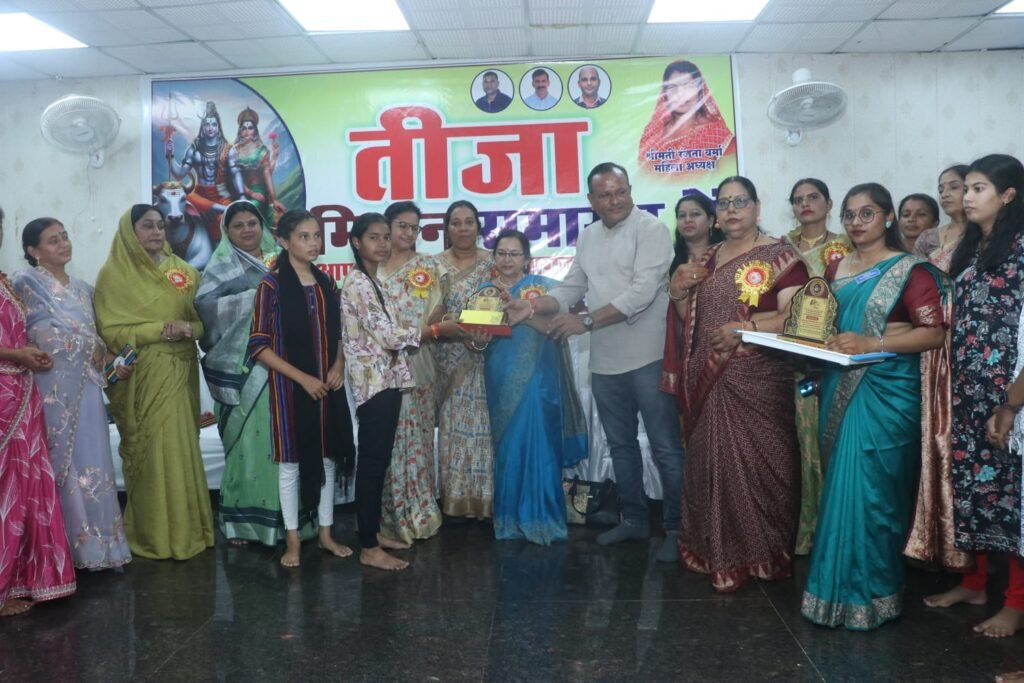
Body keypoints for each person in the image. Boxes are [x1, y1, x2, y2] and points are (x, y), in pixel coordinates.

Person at [507, 162, 684, 562]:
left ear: (630, 190)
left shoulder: (651, 230)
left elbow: (641, 293)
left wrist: (585, 321)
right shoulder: (588, 236)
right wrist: (532, 306)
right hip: (605, 360)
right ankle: (634, 520)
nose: (614, 200)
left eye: (620, 191)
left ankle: (677, 528)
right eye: (605, 195)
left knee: (665, 447)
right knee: (620, 445)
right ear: (591, 200)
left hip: (649, 355)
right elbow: (571, 288)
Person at [801, 183, 947, 630]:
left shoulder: (910, 270)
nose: (856, 222)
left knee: (876, 496)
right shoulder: (836, 266)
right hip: (839, 384)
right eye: (849, 214)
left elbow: (933, 333)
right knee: (841, 492)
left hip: (888, 393)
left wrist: (872, 343)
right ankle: (831, 595)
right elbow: (826, 323)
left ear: (887, 217)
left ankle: (877, 594)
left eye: (867, 213)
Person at [661, 176, 808, 590]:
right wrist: (676, 291)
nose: (731, 210)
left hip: (757, 378)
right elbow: (690, 320)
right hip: (706, 380)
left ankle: (762, 555)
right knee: (711, 466)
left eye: (740, 202)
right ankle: (715, 551)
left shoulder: (781, 257)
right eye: (724, 203)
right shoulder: (706, 259)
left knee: (764, 467)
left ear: (757, 208)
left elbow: (797, 317)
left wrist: (746, 329)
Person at [924, 154, 1024, 639]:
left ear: (1008, 195)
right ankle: (977, 583)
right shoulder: (972, 248)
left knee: (1012, 498)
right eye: (966, 188)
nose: (966, 197)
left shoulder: (1021, 249)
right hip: (967, 388)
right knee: (974, 490)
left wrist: (1011, 402)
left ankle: (1016, 602)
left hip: (1010, 394)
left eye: (979, 188)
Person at [341, 212, 464, 570]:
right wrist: (437, 331)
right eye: (373, 238)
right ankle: (368, 547)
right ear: (356, 242)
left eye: (385, 237)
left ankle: (374, 533)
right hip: (375, 384)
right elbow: (389, 336)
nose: (382, 244)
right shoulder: (358, 283)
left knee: (379, 461)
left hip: (390, 379)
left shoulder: (373, 280)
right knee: (372, 463)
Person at [12, 218, 132, 570]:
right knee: (61, 463)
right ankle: (60, 550)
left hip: (87, 388)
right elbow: (38, 335)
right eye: (53, 240)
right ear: (33, 251)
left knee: (94, 460)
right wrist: (87, 346)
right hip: (52, 389)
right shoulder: (26, 281)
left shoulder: (84, 289)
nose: (63, 244)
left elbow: (98, 340)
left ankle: (99, 547)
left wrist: (110, 359)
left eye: (64, 237)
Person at [95, 205, 213, 561]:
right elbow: (110, 331)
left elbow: (203, 324)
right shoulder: (114, 275)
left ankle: (190, 531)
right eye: (147, 226)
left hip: (180, 370)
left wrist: (189, 329)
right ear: (130, 232)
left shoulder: (184, 272)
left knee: (181, 447)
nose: (157, 232)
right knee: (152, 451)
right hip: (143, 373)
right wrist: (158, 330)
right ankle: (154, 534)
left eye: (160, 225)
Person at [195, 200, 315, 546]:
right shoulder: (219, 266)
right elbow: (207, 310)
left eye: (252, 223)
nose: (247, 230)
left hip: (287, 367)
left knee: (287, 445)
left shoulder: (282, 260)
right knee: (249, 444)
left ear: (262, 226)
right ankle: (244, 523)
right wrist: (262, 296)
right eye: (238, 225)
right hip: (245, 369)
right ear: (226, 231)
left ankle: (291, 523)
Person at [247, 209, 354, 568]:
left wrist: (338, 365)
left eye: (316, 236)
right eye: (304, 236)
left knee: (327, 458)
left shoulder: (327, 284)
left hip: (327, 387)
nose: (313, 243)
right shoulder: (271, 285)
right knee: (291, 463)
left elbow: (340, 334)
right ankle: (292, 539)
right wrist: (303, 378)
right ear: (284, 241)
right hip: (290, 391)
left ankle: (325, 533)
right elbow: (259, 346)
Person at [482, 229, 588, 545]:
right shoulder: (484, 292)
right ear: (494, 257)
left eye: (514, 254)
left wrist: (523, 313)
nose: (507, 260)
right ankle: (510, 521)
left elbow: (556, 328)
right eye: (502, 253)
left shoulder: (544, 289)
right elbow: (478, 336)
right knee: (509, 449)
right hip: (500, 377)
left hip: (540, 380)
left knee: (541, 445)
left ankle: (543, 518)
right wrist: (474, 335)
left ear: (527, 259)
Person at [0, 207, 76, 617]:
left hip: (22, 391)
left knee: (25, 488)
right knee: (5, 491)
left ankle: (22, 578)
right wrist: (17, 355)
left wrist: (27, 354)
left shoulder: (4, 281)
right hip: (4, 394)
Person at [377, 202, 451, 543]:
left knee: (417, 434)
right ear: (387, 227)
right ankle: (389, 512)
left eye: (414, 227)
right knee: (387, 436)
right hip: (381, 364)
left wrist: (422, 331)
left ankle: (419, 509)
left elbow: (440, 307)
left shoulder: (428, 265)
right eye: (402, 226)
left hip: (420, 357)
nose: (408, 233)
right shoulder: (371, 267)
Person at [783, 178, 848, 555]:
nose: (805, 204)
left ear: (828, 203)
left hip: (832, 356)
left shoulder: (847, 246)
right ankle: (800, 528)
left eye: (813, 198)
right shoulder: (779, 248)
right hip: (785, 356)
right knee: (792, 443)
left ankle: (832, 530)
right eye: (797, 200)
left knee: (829, 442)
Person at [435, 200, 495, 519]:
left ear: (478, 227)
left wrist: (483, 332)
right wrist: (455, 325)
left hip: (490, 360)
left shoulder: (493, 263)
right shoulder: (434, 265)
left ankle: (488, 501)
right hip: (450, 360)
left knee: (486, 430)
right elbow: (427, 315)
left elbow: (505, 304)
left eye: (469, 222)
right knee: (455, 429)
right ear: (446, 228)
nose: (462, 228)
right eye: (455, 222)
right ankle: (456, 502)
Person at [637, 60, 735, 174]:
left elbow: (725, 174)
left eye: (688, 86)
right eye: (672, 87)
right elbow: (643, 175)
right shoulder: (651, 135)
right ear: (665, 94)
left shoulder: (717, 133)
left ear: (700, 91)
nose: (680, 93)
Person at [165, 101, 243, 242]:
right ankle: (224, 209)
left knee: (222, 222)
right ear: (203, 127)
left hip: (221, 195)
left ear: (218, 127)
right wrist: (170, 156)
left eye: (214, 124)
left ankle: (222, 210)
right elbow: (179, 174)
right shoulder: (194, 148)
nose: (210, 128)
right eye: (207, 124)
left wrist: (242, 195)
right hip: (199, 196)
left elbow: (235, 174)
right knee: (188, 198)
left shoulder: (228, 149)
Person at [913, 164, 970, 272]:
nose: (944, 195)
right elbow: (918, 276)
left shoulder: (985, 233)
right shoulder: (927, 238)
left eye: (954, 187)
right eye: (941, 190)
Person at [233, 108, 285, 226]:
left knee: (251, 209)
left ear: (255, 131)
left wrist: (274, 199)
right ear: (240, 131)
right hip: (238, 190)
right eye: (244, 128)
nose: (247, 131)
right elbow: (233, 175)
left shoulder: (262, 150)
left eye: (250, 128)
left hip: (258, 190)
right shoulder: (234, 150)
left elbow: (267, 174)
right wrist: (249, 192)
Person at [669, 194, 723, 277]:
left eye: (695, 214)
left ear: (711, 220)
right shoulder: (669, 258)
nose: (687, 220)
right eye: (682, 215)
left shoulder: (724, 253)